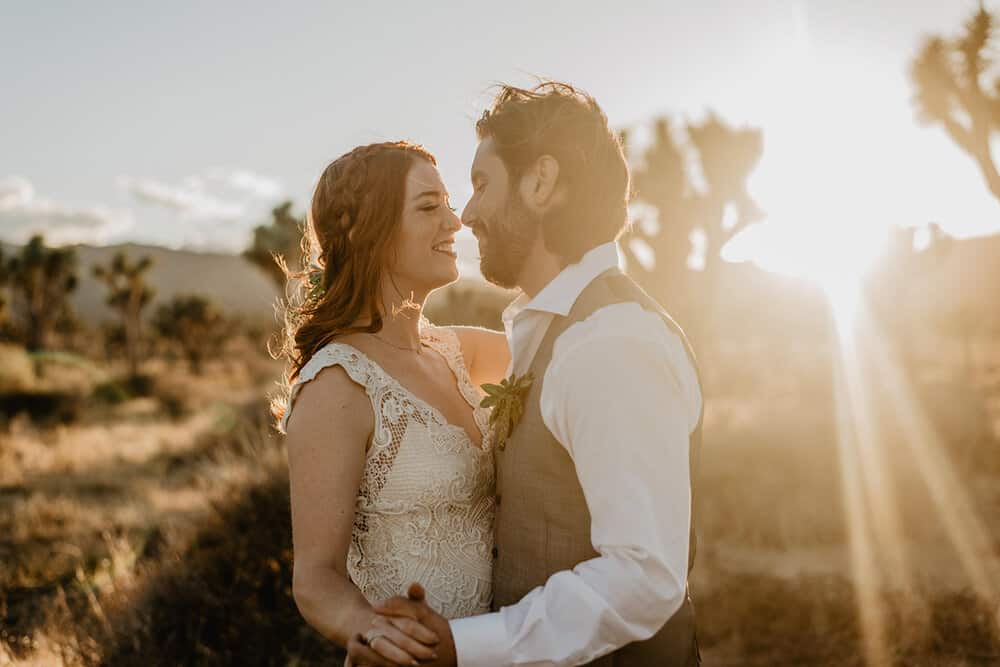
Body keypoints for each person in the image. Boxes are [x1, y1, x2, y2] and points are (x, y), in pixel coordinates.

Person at [355, 82, 704, 666]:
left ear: (541, 183)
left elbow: (644, 575)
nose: (467, 215)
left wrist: (463, 646)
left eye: (482, 184)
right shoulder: (555, 329)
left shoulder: (610, 343)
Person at [276, 141, 510, 665]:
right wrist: (376, 633)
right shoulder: (338, 384)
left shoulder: (457, 352)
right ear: (368, 231)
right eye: (429, 207)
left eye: (449, 204)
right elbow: (316, 579)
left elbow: (562, 345)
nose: (454, 222)